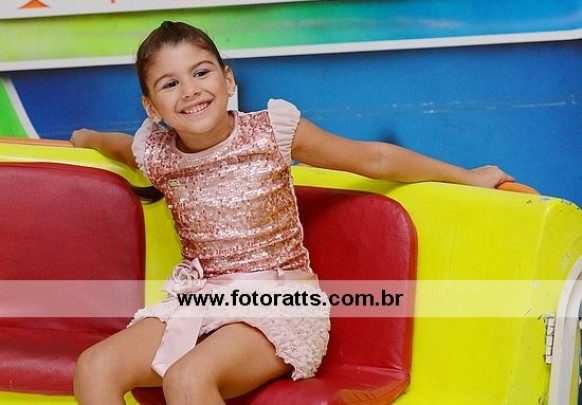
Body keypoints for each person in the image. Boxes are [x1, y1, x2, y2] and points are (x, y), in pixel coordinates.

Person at [71, 21, 514, 405]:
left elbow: (373, 159)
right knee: (94, 367)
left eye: (201, 72)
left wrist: (466, 176)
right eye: (169, 84)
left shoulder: (271, 132)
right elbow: (116, 145)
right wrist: (84, 137)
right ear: (152, 107)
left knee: (188, 379)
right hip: (200, 302)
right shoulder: (156, 153)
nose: (190, 90)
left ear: (228, 79)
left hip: (278, 305)